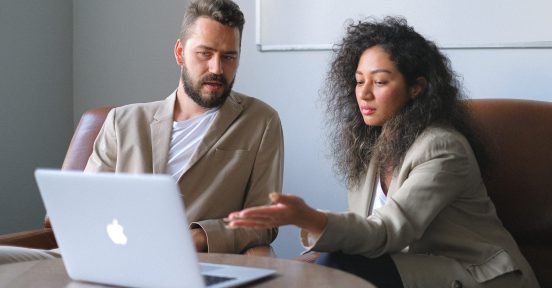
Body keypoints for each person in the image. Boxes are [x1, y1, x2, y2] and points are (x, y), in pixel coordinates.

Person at [227, 17, 539, 288]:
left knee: (340, 267)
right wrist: (302, 262)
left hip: (480, 276)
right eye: (359, 80)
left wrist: (308, 217)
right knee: (316, 267)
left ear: (416, 87)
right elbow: (362, 232)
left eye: (379, 82)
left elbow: (388, 231)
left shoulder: (443, 147)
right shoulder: (370, 146)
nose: (363, 93)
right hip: (414, 269)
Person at [0, 0, 283, 264]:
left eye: (229, 57)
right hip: (104, 253)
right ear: (180, 53)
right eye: (205, 53)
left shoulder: (260, 121)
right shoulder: (122, 121)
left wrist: (198, 237)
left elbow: (265, 221)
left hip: (189, 263)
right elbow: (86, 205)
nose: (216, 68)